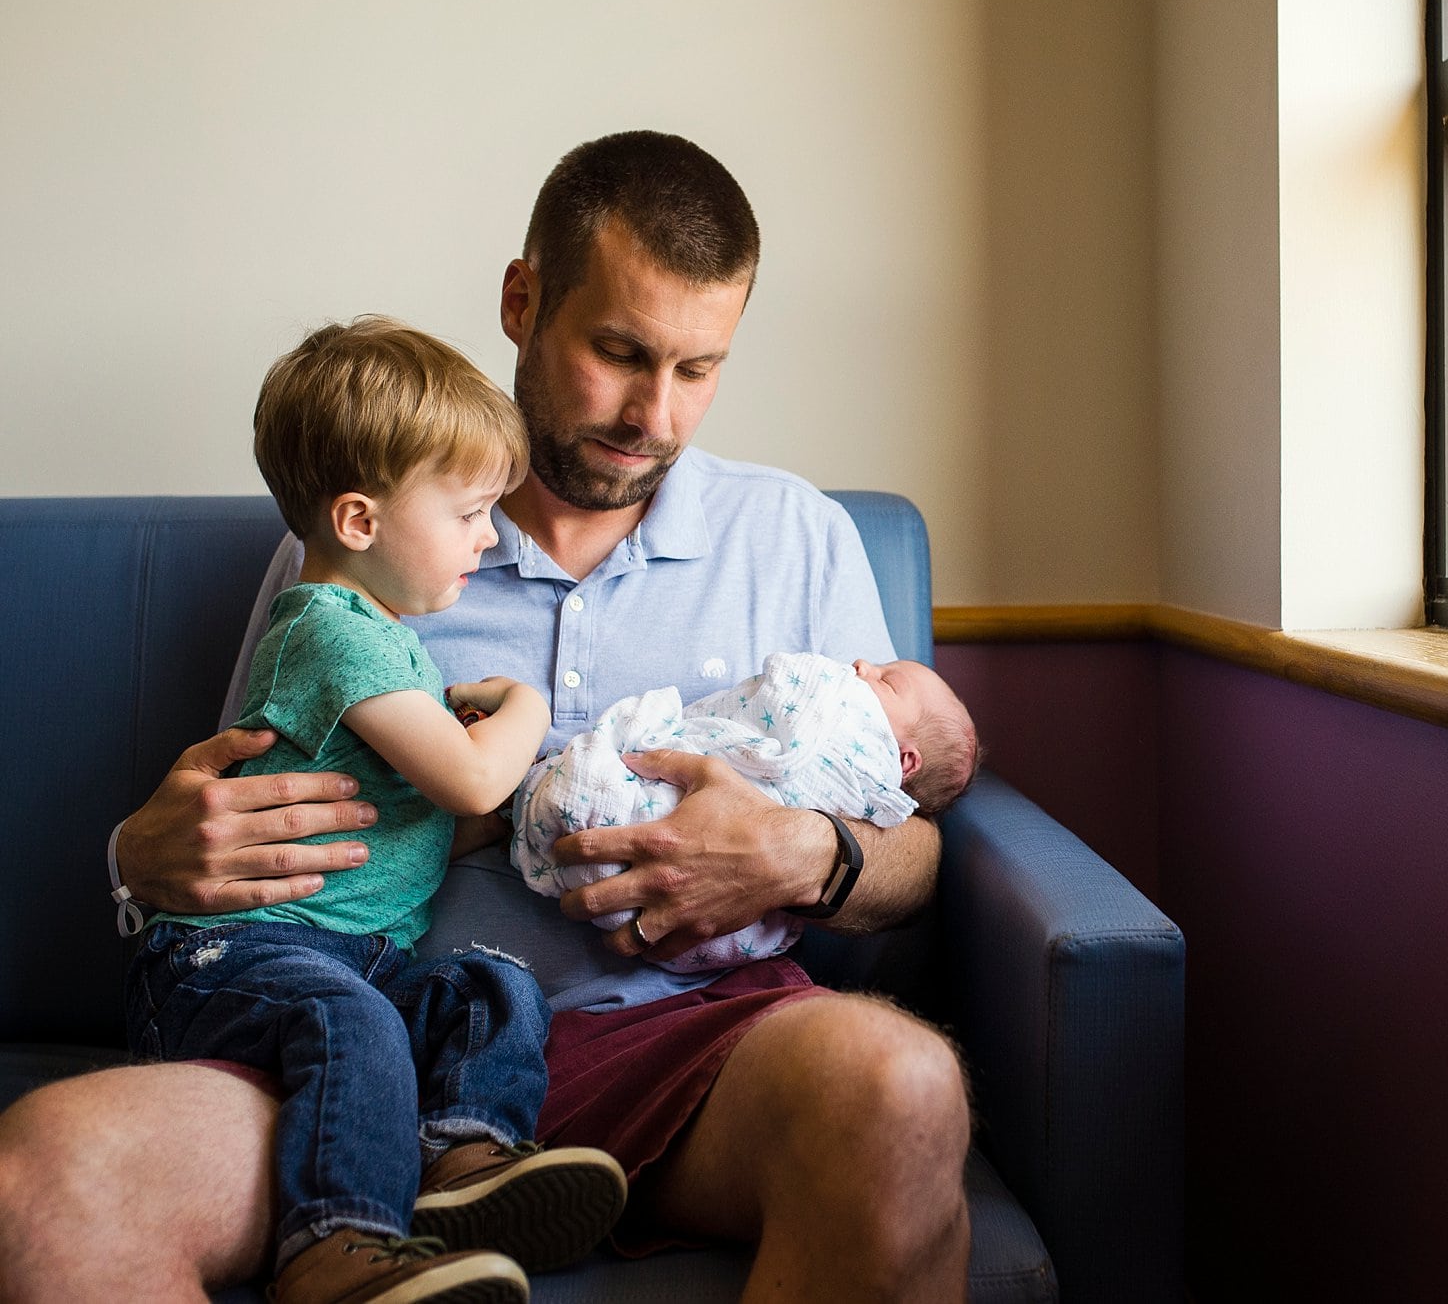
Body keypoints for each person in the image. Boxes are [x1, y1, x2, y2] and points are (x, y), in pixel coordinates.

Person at [0, 131, 971, 1303]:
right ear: (522, 301)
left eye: (697, 368)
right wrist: (136, 858)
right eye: (618, 351)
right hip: (375, 1036)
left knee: (902, 1087)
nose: (652, 415)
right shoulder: (359, 553)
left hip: (691, 1037)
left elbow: (913, 848)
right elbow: (247, 818)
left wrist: (807, 852)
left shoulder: (799, 539)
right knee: (47, 1174)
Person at [125, 317, 628, 1303]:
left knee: (488, 987)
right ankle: (331, 1245)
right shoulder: (329, 634)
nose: (488, 536)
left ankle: (461, 1162)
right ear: (358, 522)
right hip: (232, 958)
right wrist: (522, 704)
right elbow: (474, 784)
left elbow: (434, 818)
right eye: (471, 511)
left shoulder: (386, 643)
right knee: (348, 1019)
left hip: (347, 951)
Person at [513, 651, 980, 972]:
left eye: (887, 679)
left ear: (904, 762)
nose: (861, 665)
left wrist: (801, 854)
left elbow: (914, 856)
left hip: (713, 993)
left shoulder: (861, 739)